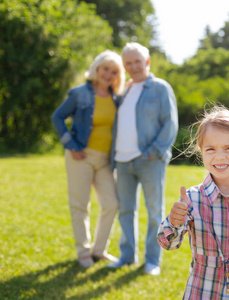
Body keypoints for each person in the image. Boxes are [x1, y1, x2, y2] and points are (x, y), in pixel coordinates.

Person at [157, 106, 229, 299]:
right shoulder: (192, 199)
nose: (219, 156)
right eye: (210, 149)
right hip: (202, 293)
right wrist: (174, 223)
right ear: (201, 152)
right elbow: (168, 244)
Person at [107, 42, 178, 275]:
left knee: (154, 211)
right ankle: (127, 256)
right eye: (128, 63)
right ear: (124, 66)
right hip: (123, 161)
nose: (133, 66)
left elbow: (170, 123)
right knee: (126, 210)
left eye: (138, 61)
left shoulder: (159, 87)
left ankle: (152, 261)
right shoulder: (125, 90)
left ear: (147, 61)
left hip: (150, 160)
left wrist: (154, 152)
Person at [52, 50, 125, 268]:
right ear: (96, 68)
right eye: (105, 69)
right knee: (80, 205)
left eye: (114, 72)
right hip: (80, 157)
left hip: (105, 161)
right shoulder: (79, 93)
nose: (109, 74)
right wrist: (70, 145)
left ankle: (99, 250)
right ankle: (83, 252)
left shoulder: (117, 98)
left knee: (112, 204)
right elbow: (57, 117)